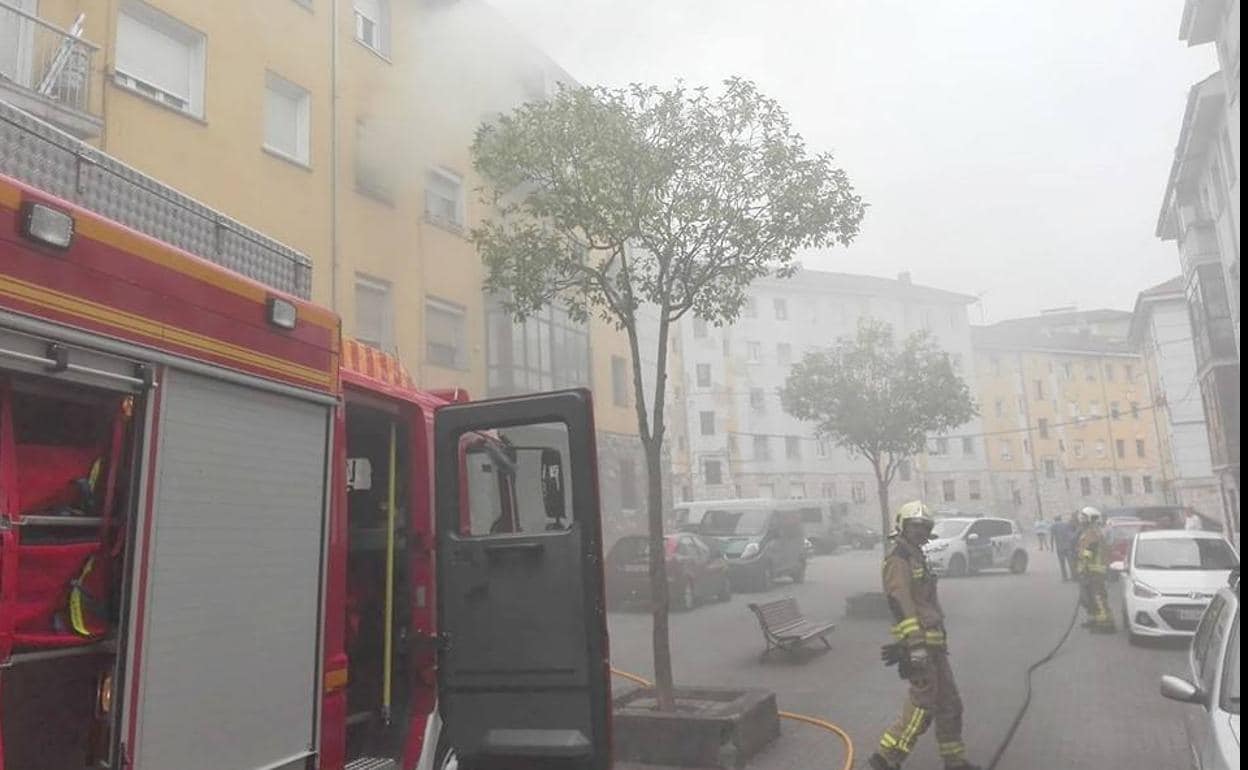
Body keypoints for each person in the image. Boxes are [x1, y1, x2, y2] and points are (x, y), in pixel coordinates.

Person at [869, 501, 981, 770]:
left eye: (923, 527)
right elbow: (900, 603)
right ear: (902, 527)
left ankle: (954, 761)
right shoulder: (899, 559)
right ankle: (885, 759)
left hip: (934, 646)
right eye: (914, 526)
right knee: (922, 707)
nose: (919, 531)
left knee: (950, 705)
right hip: (920, 648)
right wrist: (914, 646)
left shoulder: (917, 555)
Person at [1073, 506, 1116, 633]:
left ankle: (1106, 624)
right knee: (1088, 597)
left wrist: (1084, 561)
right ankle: (1095, 619)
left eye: (1084, 517)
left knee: (1098, 597)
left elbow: (1089, 550)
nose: (1081, 520)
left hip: (1093, 571)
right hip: (1089, 570)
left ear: (1090, 518)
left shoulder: (1093, 532)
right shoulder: (1089, 531)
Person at [1051, 513, 1076, 582]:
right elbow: (1071, 535)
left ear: (1055, 519)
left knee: (1062, 563)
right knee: (1070, 562)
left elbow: (1052, 537)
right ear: (1060, 518)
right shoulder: (1066, 524)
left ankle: (1064, 578)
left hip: (1059, 547)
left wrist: (1052, 547)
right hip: (1068, 546)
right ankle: (1073, 577)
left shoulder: (1053, 526)